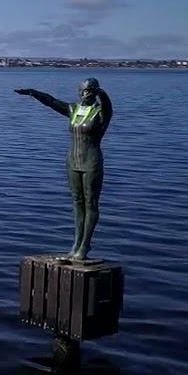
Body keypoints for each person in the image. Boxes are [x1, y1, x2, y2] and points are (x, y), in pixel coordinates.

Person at [14, 78, 113, 261]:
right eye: (82, 91)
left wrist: (102, 93)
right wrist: (33, 92)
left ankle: (85, 245)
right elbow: (52, 102)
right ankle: (76, 243)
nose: (84, 94)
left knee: (90, 201)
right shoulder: (73, 110)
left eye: (89, 91)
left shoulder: (100, 112)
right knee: (77, 201)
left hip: (91, 162)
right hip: (72, 161)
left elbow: (107, 105)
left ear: (94, 92)